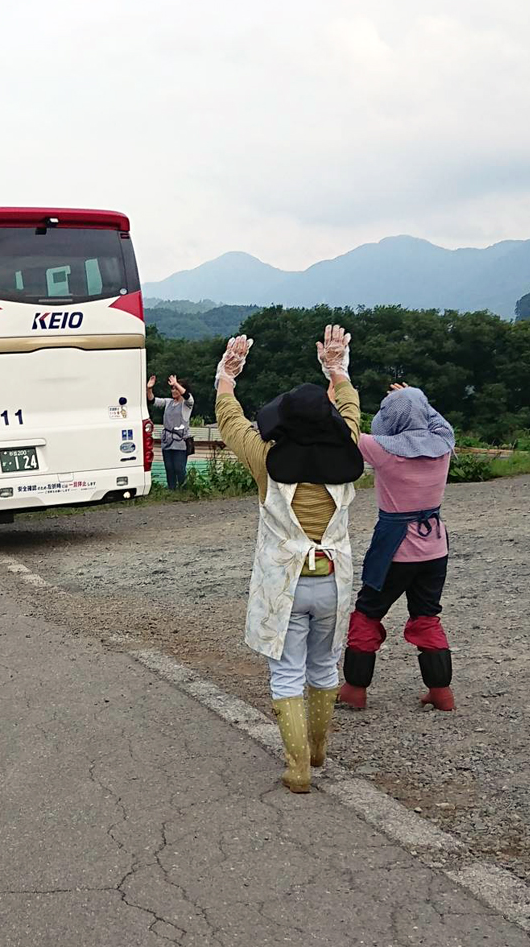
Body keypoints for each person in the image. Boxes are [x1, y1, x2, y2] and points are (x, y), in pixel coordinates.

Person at [215, 326, 365, 793]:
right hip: (334, 582)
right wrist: (336, 369)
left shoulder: (266, 459)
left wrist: (226, 377)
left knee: (286, 671)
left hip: (286, 585)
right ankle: (319, 749)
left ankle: (298, 767)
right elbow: (350, 409)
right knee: (323, 665)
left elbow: (230, 421)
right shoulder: (349, 451)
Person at [339, 384, 457, 712]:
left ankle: (355, 689)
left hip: (395, 547)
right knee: (427, 614)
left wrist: (336, 389)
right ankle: (441, 692)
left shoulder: (381, 449)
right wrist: (416, 399)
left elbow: (345, 431)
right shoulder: (443, 444)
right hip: (435, 547)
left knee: (367, 612)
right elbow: (439, 423)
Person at [147, 374, 195, 489]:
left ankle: (184, 490)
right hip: (167, 440)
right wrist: (149, 388)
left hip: (180, 441)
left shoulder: (187, 404)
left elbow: (187, 396)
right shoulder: (168, 402)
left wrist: (176, 384)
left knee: (179, 467)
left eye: (176, 388)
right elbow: (153, 400)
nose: (173, 390)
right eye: (172, 388)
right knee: (169, 467)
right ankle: (171, 490)